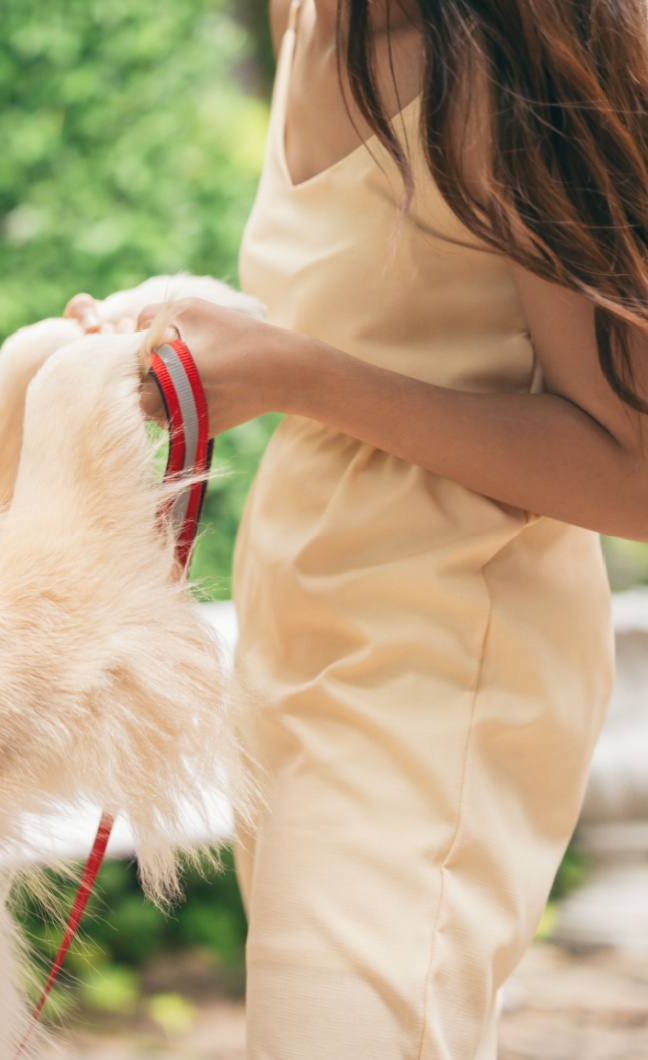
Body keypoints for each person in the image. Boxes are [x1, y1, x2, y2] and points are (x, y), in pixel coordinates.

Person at [64, 0, 648, 1055]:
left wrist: (290, 372)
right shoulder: (307, 16)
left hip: (441, 667)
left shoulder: (511, 46)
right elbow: (383, 316)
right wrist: (202, 328)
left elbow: (632, 473)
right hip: (300, 640)